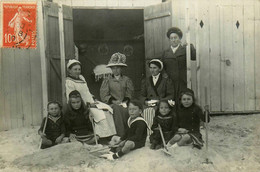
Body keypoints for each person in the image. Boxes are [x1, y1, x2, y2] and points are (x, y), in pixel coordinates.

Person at [65, 59, 116, 139]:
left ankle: (109, 135)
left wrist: (93, 98)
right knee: (100, 114)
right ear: (69, 70)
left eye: (79, 69)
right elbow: (72, 98)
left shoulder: (81, 77)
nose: (78, 71)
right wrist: (88, 104)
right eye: (75, 69)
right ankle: (100, 136)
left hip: (91, 101)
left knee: (108, 109)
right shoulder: (69, 82)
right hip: (81, 104)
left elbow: (86, 91)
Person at [100, 52, 134, 137]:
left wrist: (125, 101)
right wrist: (114, 101)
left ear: (122, 68)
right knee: (117, 109)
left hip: (125, 102)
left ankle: (130, 133)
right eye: (113, 68)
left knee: (130, 109)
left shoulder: (127, 80)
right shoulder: (107, 80)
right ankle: (120, 135)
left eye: (118, 68)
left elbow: (130, 92)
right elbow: (104, 95)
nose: (115, 70)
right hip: (112, 104)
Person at [161, 27, 196, 105]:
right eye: (171, 38)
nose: (173, 40)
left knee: (182, 101)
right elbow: (161, 67)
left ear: (179, 38)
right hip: (170, 82)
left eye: (175, 38)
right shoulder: (165, 52)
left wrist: (190, 46)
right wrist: (165, 75)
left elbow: (194, 57)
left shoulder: (185, 49)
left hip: (182, 81)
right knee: (170, 101)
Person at [140, 59, 175, 135]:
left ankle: (155, 133)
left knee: (154, 111)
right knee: (145, 111)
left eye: (155, 68)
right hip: (148, 104)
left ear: (159, 69)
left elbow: (170, 95)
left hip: (161, 104)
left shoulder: (166, 80)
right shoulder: (146, 81)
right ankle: (147, 133)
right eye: (151, 68)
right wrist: (145, 101)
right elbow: (142, 95)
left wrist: (160, 101)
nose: (152, 70)